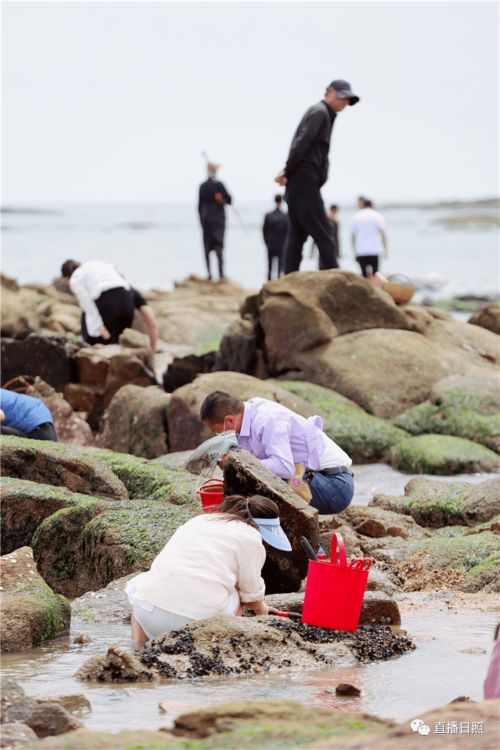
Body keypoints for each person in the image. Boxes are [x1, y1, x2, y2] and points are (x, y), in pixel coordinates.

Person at [125, 494, 290, 648]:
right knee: (237, 591)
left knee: (142, 587)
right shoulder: (251, 537)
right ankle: (222, 647)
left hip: (149, 616)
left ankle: (138, 650)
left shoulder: (200, 520)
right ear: (260, 527)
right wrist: (263, 613)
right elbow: (252, 597)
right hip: (197, 624)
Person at [200, 391, 354, 515]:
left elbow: (284, 467)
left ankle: (296, 538)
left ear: (229, 421)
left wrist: (240, 463)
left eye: (216, 430)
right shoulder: (247, 417)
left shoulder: (267, 419)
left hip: (334, 486)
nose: (217, 435)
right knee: (246, 483)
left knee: (260, 494)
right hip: (310, 475)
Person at [275, 80, 360, 274]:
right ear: (329, 92)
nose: (344, 103)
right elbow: (300, 143)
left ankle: (289, 278)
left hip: (301, 181)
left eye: (347, 100)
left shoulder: (325, 114)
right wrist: (287, 171)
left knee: (297, 234)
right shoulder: (320, 113)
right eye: (341, 97)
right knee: (324, 232)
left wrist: (289, 172)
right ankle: (336, 282)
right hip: (304, 181)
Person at [60, 260, 158, 350]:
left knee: (99, 344)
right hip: (127, 304)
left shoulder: (75, 278)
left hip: (107, 305)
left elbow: (87, 302)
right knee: (114, 343)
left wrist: (100, 327)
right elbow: (152, 322)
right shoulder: (105, 270)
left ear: (66, 277)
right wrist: (153, 352)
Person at [198, 163, 232, 281]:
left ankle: (218, 275)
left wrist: (221, 198)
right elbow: (200, 205)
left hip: (214, 222)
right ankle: (213, 275)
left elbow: (229, 200)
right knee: (212, 249)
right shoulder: (206, 186)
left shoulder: (218, 185)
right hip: (211, 222)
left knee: (217, 249)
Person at [350, 199, 388, 278]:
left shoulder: (356, 216)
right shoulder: (377, 215)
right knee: (375, 275)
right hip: (374, 250)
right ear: (372, 205)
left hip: (361, 251)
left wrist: (354, 251)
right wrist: (385, 249)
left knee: (364, 276)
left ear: (364, 205)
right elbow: (383, 234)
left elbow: (353, 236)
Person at [262, 195, 289, 280]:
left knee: (269, 266)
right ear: (281, 202)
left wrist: (266, 242)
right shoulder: (285, 216)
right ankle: (278, 282)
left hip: (271, 244)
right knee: (280, 266)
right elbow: (287, 231)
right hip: (281, 244)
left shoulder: (268, 215)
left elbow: (264, 230)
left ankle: (268, 282)